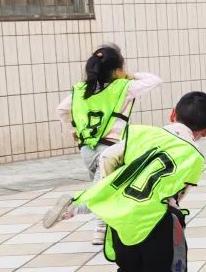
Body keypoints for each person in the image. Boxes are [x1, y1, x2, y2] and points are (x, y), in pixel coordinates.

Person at [42, 92, 206, 272]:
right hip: (155, 219)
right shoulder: (194, 156)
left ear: (172, 114)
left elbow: (106, 158)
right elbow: (176, 193)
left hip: (122, 215)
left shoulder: (139, 133)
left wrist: (113, 188)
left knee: (129, 270)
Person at [56, 44, 162, 245]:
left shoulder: (80, 91)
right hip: (111, 150)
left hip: (87, 149)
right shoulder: (124, 87)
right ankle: (73, 206)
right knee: (104, 190)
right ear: (116, 70)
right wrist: (130, 75)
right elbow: (155, 80)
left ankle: (102, 229)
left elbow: (61, 110)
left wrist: (74, 131)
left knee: (105, 187)